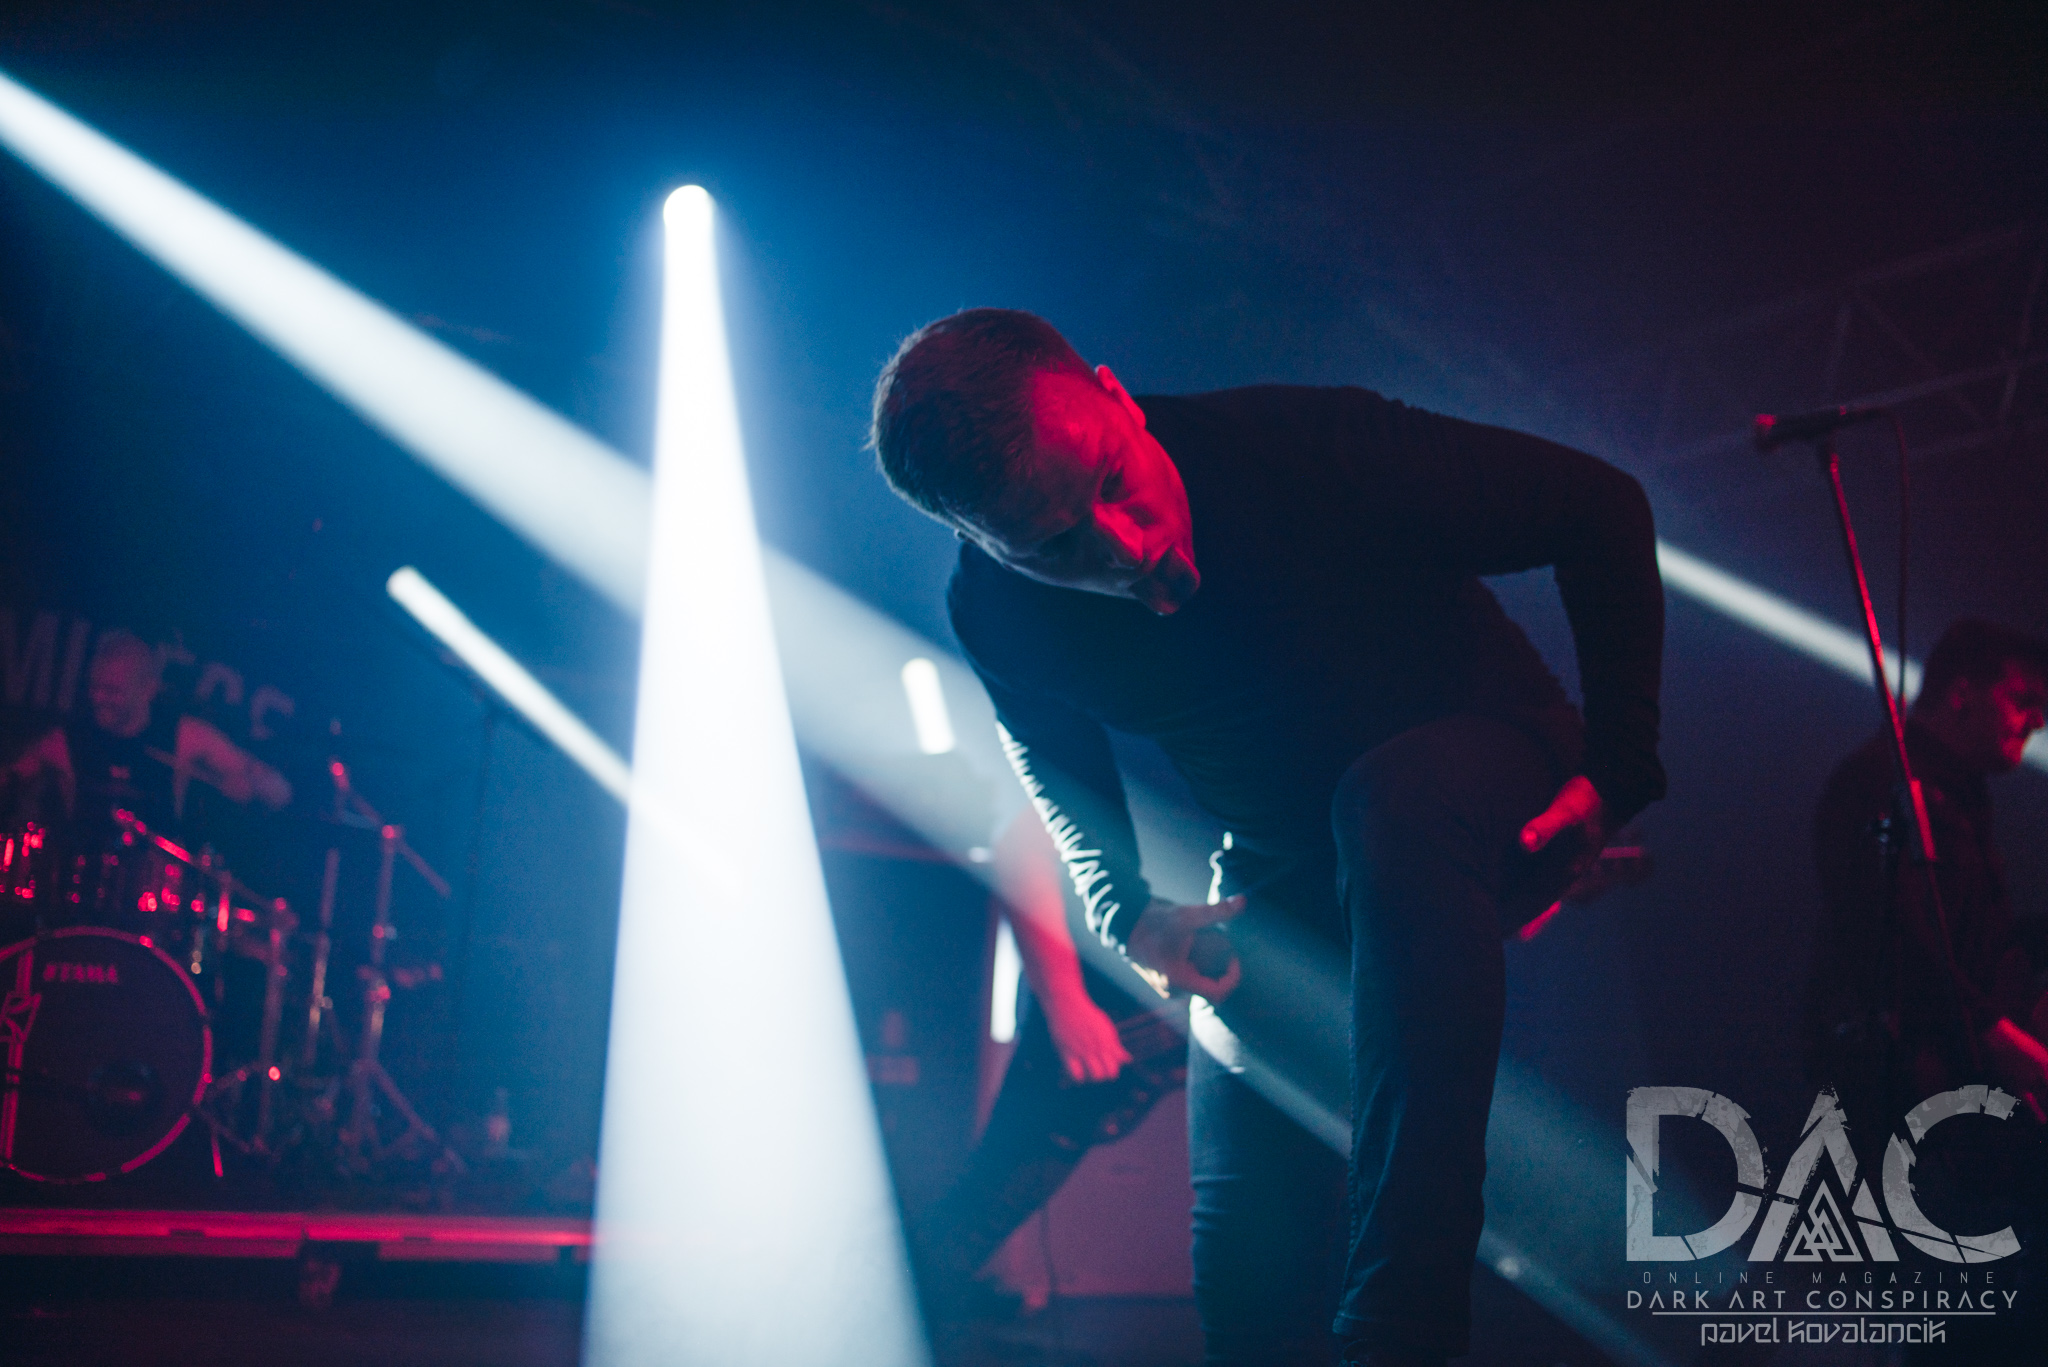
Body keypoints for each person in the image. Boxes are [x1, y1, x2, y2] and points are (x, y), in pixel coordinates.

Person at [869, 309, 1665, 1366]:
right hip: (1291, 867)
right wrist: (1124, 909)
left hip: (1498, 786)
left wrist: (1618, 770)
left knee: (1392, 802)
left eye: (1112, 479)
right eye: (1056, 544)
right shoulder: (997, 613)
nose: (1123, 543)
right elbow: (1047, 757)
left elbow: (1600, 506)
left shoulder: (1301, 448)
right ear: (986, 547)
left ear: (1116, 396)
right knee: (1248, 1280)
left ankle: (1401, 1325)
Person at [913, 809, 1185, 1320]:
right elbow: (1021, 842)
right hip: (1111, 1001)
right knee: (992, 1200)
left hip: (1204, 1019)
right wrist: (1066, 1004)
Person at [4, 628, 292, 832]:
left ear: (148, 690)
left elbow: (279, 791)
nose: (99, 699)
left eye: (112, 691)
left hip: (158, 891)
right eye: (94, 688)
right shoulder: (65, 739)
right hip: (75, 885)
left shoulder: (186, 736)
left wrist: (252, 787)